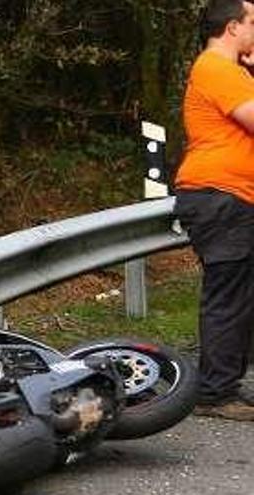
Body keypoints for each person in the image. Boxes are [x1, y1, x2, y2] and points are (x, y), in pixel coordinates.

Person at [174, 0, 254, 421]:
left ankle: (225, 386)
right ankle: (214, 394)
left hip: (233, 196)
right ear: (232, 28)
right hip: (220, 196)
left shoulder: (234, 71)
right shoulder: (216, 68)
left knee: (241, 295)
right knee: (228, 296)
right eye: (253, 22)